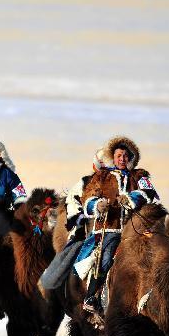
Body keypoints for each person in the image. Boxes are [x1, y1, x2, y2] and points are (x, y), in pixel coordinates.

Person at [40, 137, 160, 323]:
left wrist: (132, 198)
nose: (122, 159)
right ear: (113, 157)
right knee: (105, 257)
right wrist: (98, 205)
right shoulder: (101, 178)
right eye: (119, 155)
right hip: (109, 229)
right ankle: (91, 297)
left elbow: (150, 193)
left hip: (134, 229)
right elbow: (88, 198)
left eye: (126, 156)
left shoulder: (139, 176)